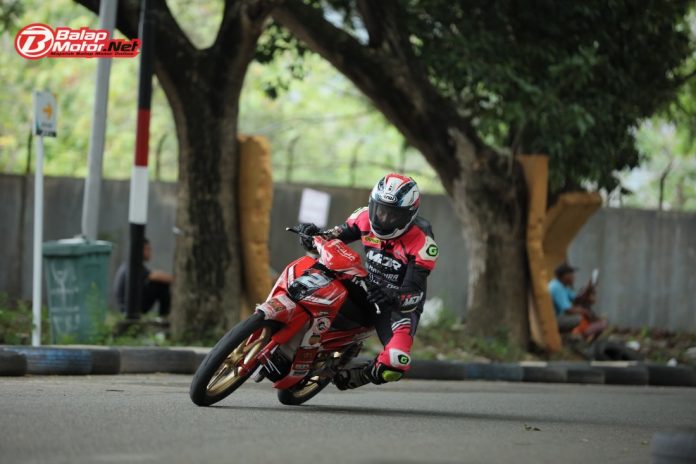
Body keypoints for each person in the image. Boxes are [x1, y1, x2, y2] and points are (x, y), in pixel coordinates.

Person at [296, 173, 438, 390]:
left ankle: (362, 374)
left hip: (395, 306)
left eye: (393, 215)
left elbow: (414, 292)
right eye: (380, 210)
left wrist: (392, 296)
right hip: (365, 284)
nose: (384, 219)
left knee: (396, 363)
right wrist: (312, 237)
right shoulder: (363, 217)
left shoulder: (423, 243)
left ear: (409, 215)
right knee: (318, 270)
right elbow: (330, 237)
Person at [113, 238, 173, 318]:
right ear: (143, 249)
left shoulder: (131, 263)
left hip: (127, 305)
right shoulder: (134, 264)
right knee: (162, 285)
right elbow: (155, 276)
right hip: (130, 306)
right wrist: (176, 280)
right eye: (148, 249)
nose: (150, 252)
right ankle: (164, 317)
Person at [548, 263, 605, 337]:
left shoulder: (563, 285)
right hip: (554, 320)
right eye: (571, 274)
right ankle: (579, 337)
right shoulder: (556, 288)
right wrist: (585, 312)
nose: (574, 276)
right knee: (580, 318)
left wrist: (589, 289)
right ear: (565, 276)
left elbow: (577, 298)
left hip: (559, 315)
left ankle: (584, 333)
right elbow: (568, 310)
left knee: (584, 313)